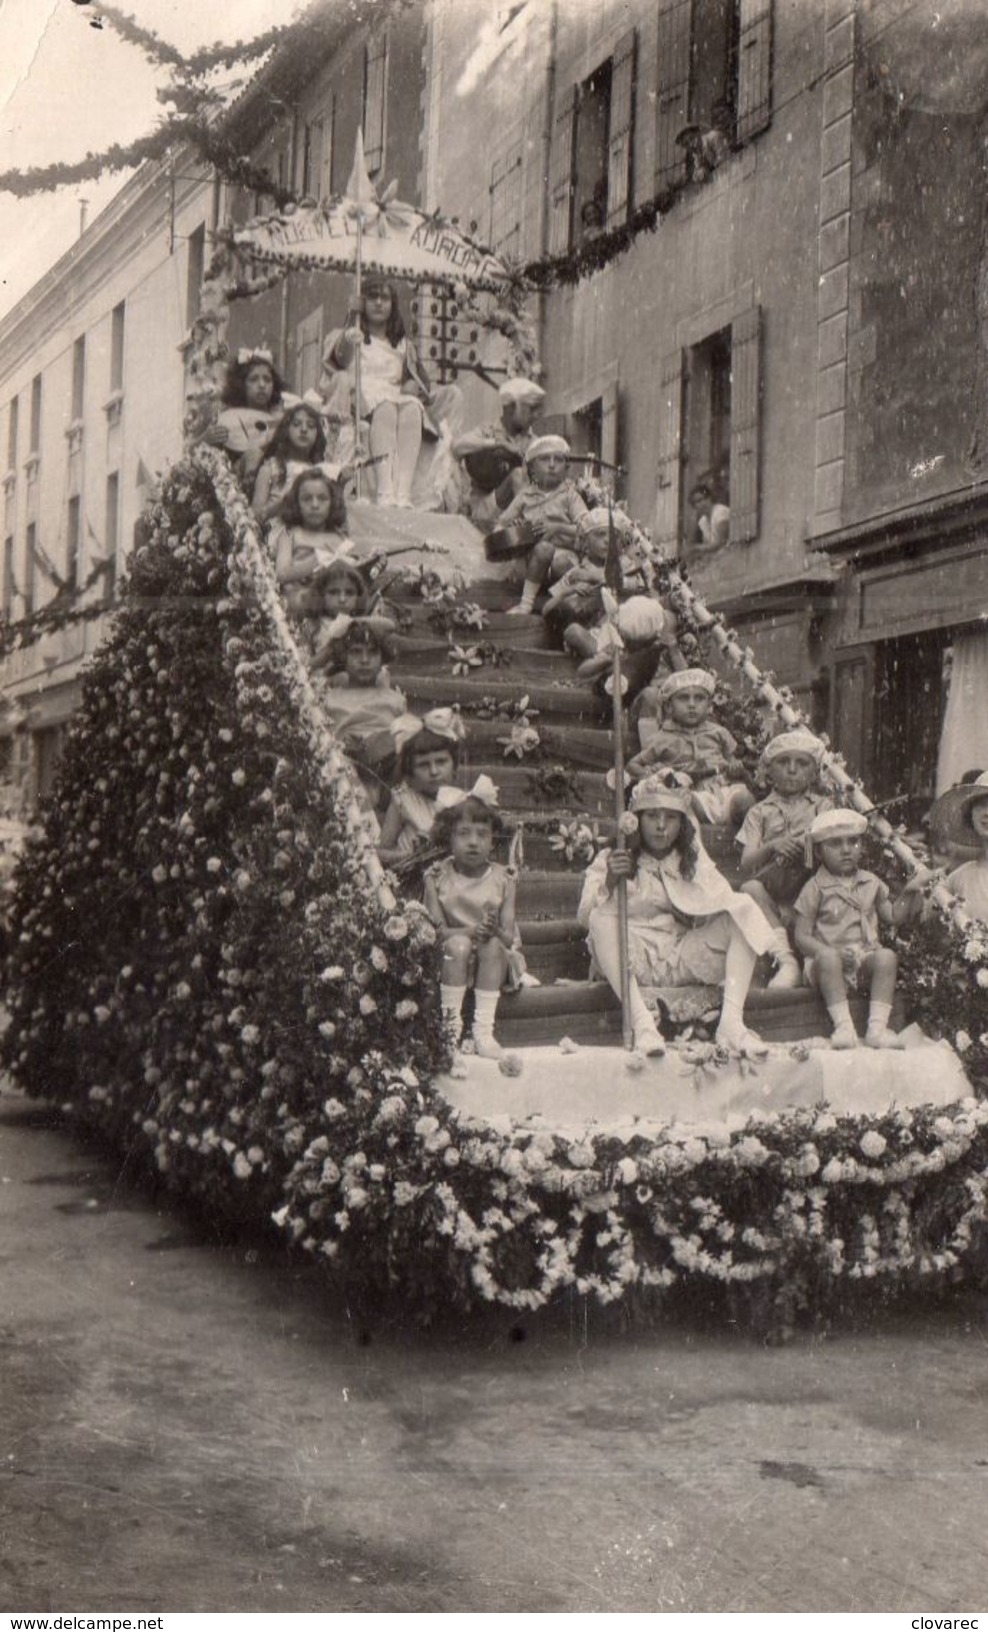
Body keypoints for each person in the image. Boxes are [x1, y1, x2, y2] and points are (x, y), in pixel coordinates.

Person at [577, 770, 775, 1056]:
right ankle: (643, 1025)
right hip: (633, 954)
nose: (661, 827)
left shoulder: (691, 860)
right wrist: (609, 882)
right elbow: (585, 919)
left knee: (741, 910)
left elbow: (724, 899)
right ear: (635, 821)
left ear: (681, 822)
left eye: (670, 818)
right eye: (651, 817)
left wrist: (698, 911)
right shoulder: (613, 858)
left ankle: (731, 1024)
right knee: (600, 917)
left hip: (680, 955)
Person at [321, 278, 462, 508]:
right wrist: (351, 322)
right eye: (372, 297)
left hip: (396, 396)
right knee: (386, 407)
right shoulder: (351, 336)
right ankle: (385, 490)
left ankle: (403, 492)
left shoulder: (403, 345)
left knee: (412, 408)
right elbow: (339, 360)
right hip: (361, 398)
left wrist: (413, 387)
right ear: (362, 302)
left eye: (384, 298)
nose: (378, 303)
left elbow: (421, 383)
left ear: (392, 304)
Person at [793, 808, 923, 1049]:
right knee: (829, 958)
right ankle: (843, 1027)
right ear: (819, 852)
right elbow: (801, 936)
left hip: (861, 959)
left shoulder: (870, 882)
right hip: (826, 965)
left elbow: (893, 916)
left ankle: (877, 1028)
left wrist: (910, 890)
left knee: (886, 956)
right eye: (835, 844)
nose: (846, 849)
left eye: (853, 841)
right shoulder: (815, 887)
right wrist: (830, 953)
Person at [424, 777, 524, 1059]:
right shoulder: (436, 876)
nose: (473, 842)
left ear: (493, 840)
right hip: (450, 956)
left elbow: (509, 938)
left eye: (482, 834)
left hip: (492, 959)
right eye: (464, 833)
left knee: (492, 946)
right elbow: (436, 932)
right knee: (457, 946)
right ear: (448, 837)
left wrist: (491, 932)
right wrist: (470, 931)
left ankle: (482, 1031)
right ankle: (450, 1030)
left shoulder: (504, 879)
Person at [736, 729, 834, 989]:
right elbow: (746, 862)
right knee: (749, 888)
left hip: (810, 892)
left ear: (814, 773)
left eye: (802, 764)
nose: (792, 770)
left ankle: (818, 965)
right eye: (783, 762)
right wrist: (773, 846)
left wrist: (806, 842)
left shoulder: (822, 806)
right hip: (775, 901)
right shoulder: (759, 812)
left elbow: (829, 842)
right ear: (768, 771)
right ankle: (787, 960)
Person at [626, 668, 754, 827]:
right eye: (684, 698)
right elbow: (632, 765)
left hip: (722, 790)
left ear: (709, 705)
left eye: (699, 698)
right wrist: (652, 775)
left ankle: (748, 844)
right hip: (691, 794)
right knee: (683, 800)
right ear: (669, 707)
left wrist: (735, 768)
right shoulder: (663, 738)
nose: (692, 705)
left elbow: (731, 760)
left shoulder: (718, 732)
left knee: (744, 800)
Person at [315, 618, 407, 803]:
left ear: (383, 658)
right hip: (347, 768)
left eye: (372, 653)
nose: (364, 660)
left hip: (386, 769)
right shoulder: (330, 699)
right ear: (343, 657)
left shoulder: (394, 699)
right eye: (356, 653)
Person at [496, 436, 590, 615]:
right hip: (530, 560)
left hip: (561, 560)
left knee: (559, 559)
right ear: (532, 467)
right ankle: (526, 605)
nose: (552, 465)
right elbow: (500, 524)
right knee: (543, 549)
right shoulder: (525, 497)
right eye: (545, 459)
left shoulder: (570, 496)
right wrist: (513, 530)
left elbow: (587, 529)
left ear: (566, 468)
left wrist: (558, 528)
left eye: (559, 459)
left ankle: (562, 605)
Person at [452, 375, 546, 525]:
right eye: (531, 408)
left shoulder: (534, 442)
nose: (536, 415)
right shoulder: (487, 431)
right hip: (485, 513)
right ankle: (530, 526)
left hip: (515, 516)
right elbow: (457, 447)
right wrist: (496, 444)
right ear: (510, 407)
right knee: (516, 476)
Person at [377, 708, 465, 868]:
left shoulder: (460, 800)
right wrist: (409, 855)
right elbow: (381, 852)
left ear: (454, 766)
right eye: (424, 765)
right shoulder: (404, 800)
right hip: (411, 876)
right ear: (410, 773)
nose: (434, 771)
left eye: (441, 762)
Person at [271, 468, 353, 617]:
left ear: (332, 502)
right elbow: (281, 574)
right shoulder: (290, 535)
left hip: (336, 598)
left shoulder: (337, 536)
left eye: (322, 498)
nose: (315, 505)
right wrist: (319, 559)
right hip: (300, 601)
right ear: (296, 503)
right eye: (307, 499)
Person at [249, 396, 332, 524]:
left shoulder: (320, 471)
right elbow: (254, 517)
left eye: (310, 426)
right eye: (296, 424)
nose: (304, 430)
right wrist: (283, 503)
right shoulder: (271, 469)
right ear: (286, 430)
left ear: (318, 435)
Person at [204, 348, 287, 470]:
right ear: (241, 385)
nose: (262, 385)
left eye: (267, 380)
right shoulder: (228, 420)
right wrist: (206, 439)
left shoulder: (282, 419)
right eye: (253, 379)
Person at [929, 770, 988, 923]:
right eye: (981, 804)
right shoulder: (960, 877)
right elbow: (928, 922)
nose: (987, 812)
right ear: (971, 814)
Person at [688, 475, 730, 550]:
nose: (701, 504)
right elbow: (709, 544)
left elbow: (722, 542)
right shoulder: (702, 521)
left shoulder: (720, 512)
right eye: (697, 502)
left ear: (710, 498)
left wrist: (697, 548)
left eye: (702, 499)